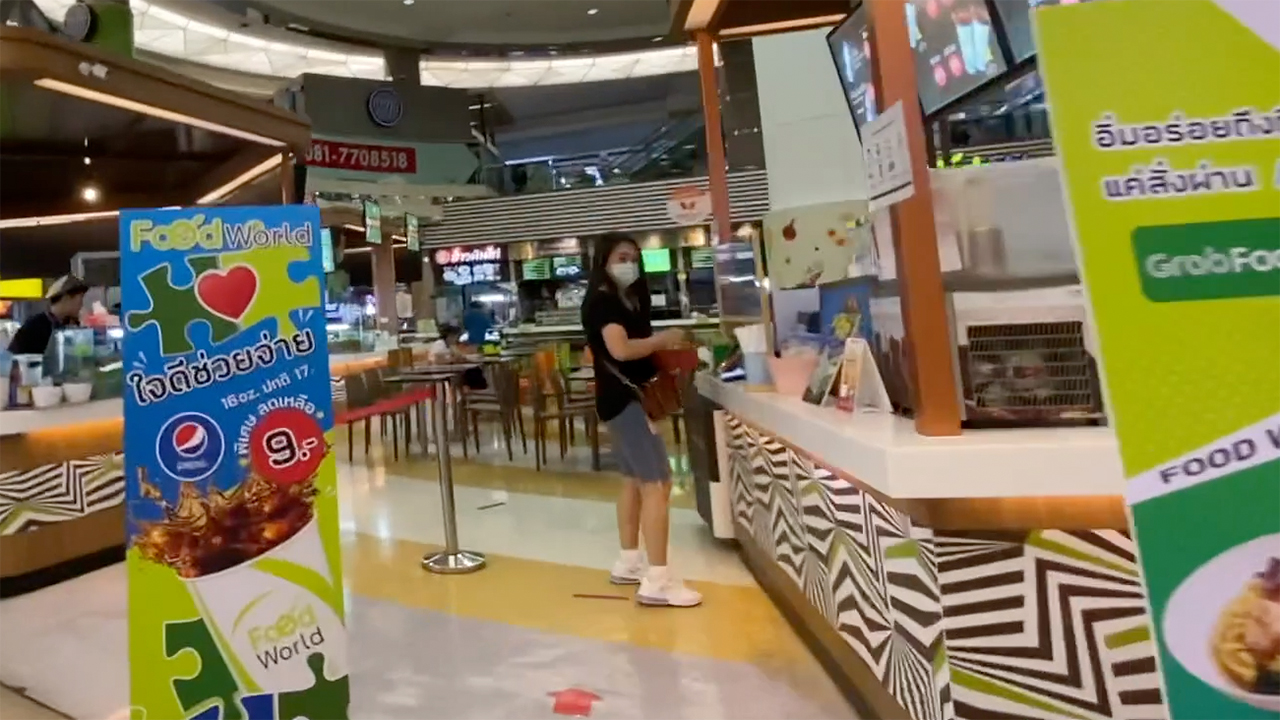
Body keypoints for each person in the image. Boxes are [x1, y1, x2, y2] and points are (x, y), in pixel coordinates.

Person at [581, 232, 699, 607]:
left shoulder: (621, 300)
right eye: (621, 256)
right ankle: (658, 580)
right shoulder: (603, 303)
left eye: (633, 256)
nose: (629, 263)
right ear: (604, 260)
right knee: (657, 484)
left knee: (633, 480)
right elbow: (620, 348)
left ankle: (629, 561)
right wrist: (663, 341)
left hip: (617, 400)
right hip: (629, 401)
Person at [7, 275, 88, 355]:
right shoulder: (34, 327)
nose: (81, 305)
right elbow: (13, 358)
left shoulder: (72, 326)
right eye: (80, 299)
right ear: (66, 298)